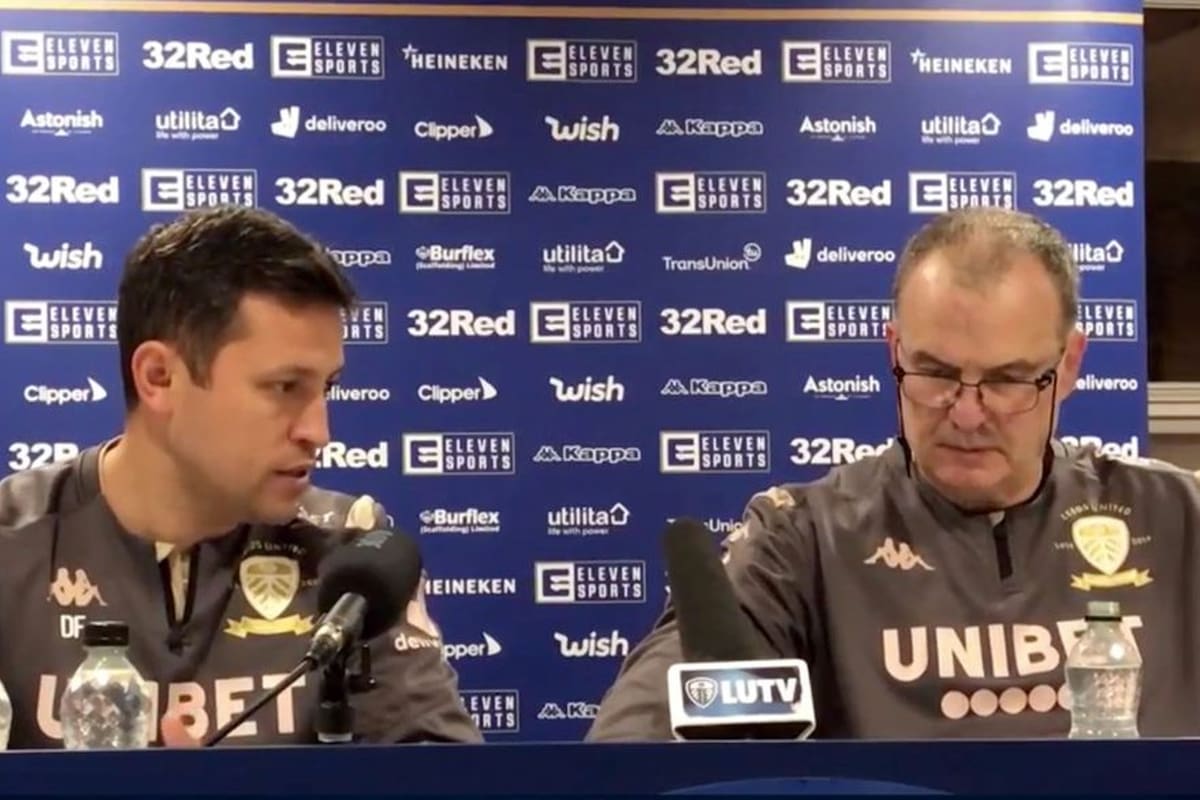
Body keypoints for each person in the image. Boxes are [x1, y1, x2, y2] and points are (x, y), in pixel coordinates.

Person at [588, 206, 1200, 740]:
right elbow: (638, 736)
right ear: (894, 351)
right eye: (933, 374)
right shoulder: (802, 542)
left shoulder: (1177, 519)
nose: (965, 414)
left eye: (1008, 380)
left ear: (1068, 366)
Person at [0, 206, 483, 748]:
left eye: (327, 387)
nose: (319, 431)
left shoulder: (353, 554)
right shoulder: (11, 544)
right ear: (160, 378)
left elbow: (438, 772)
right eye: (284, 387)